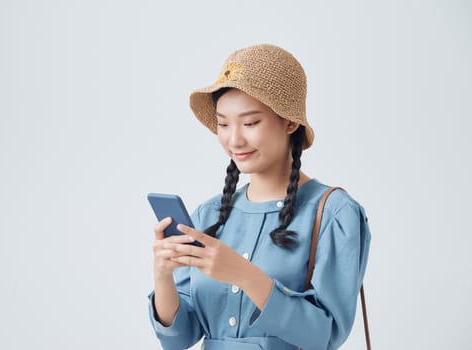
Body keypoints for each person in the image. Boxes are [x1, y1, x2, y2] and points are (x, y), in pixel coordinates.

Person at [148, 44, 371, 350]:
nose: (234, 139)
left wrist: (243, 274)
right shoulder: (208, 215)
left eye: (250, 123)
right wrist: (162, 274)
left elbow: (326, 335)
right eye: (223, 124)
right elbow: (179, 339)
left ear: (289, 122)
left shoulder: (334, 213)